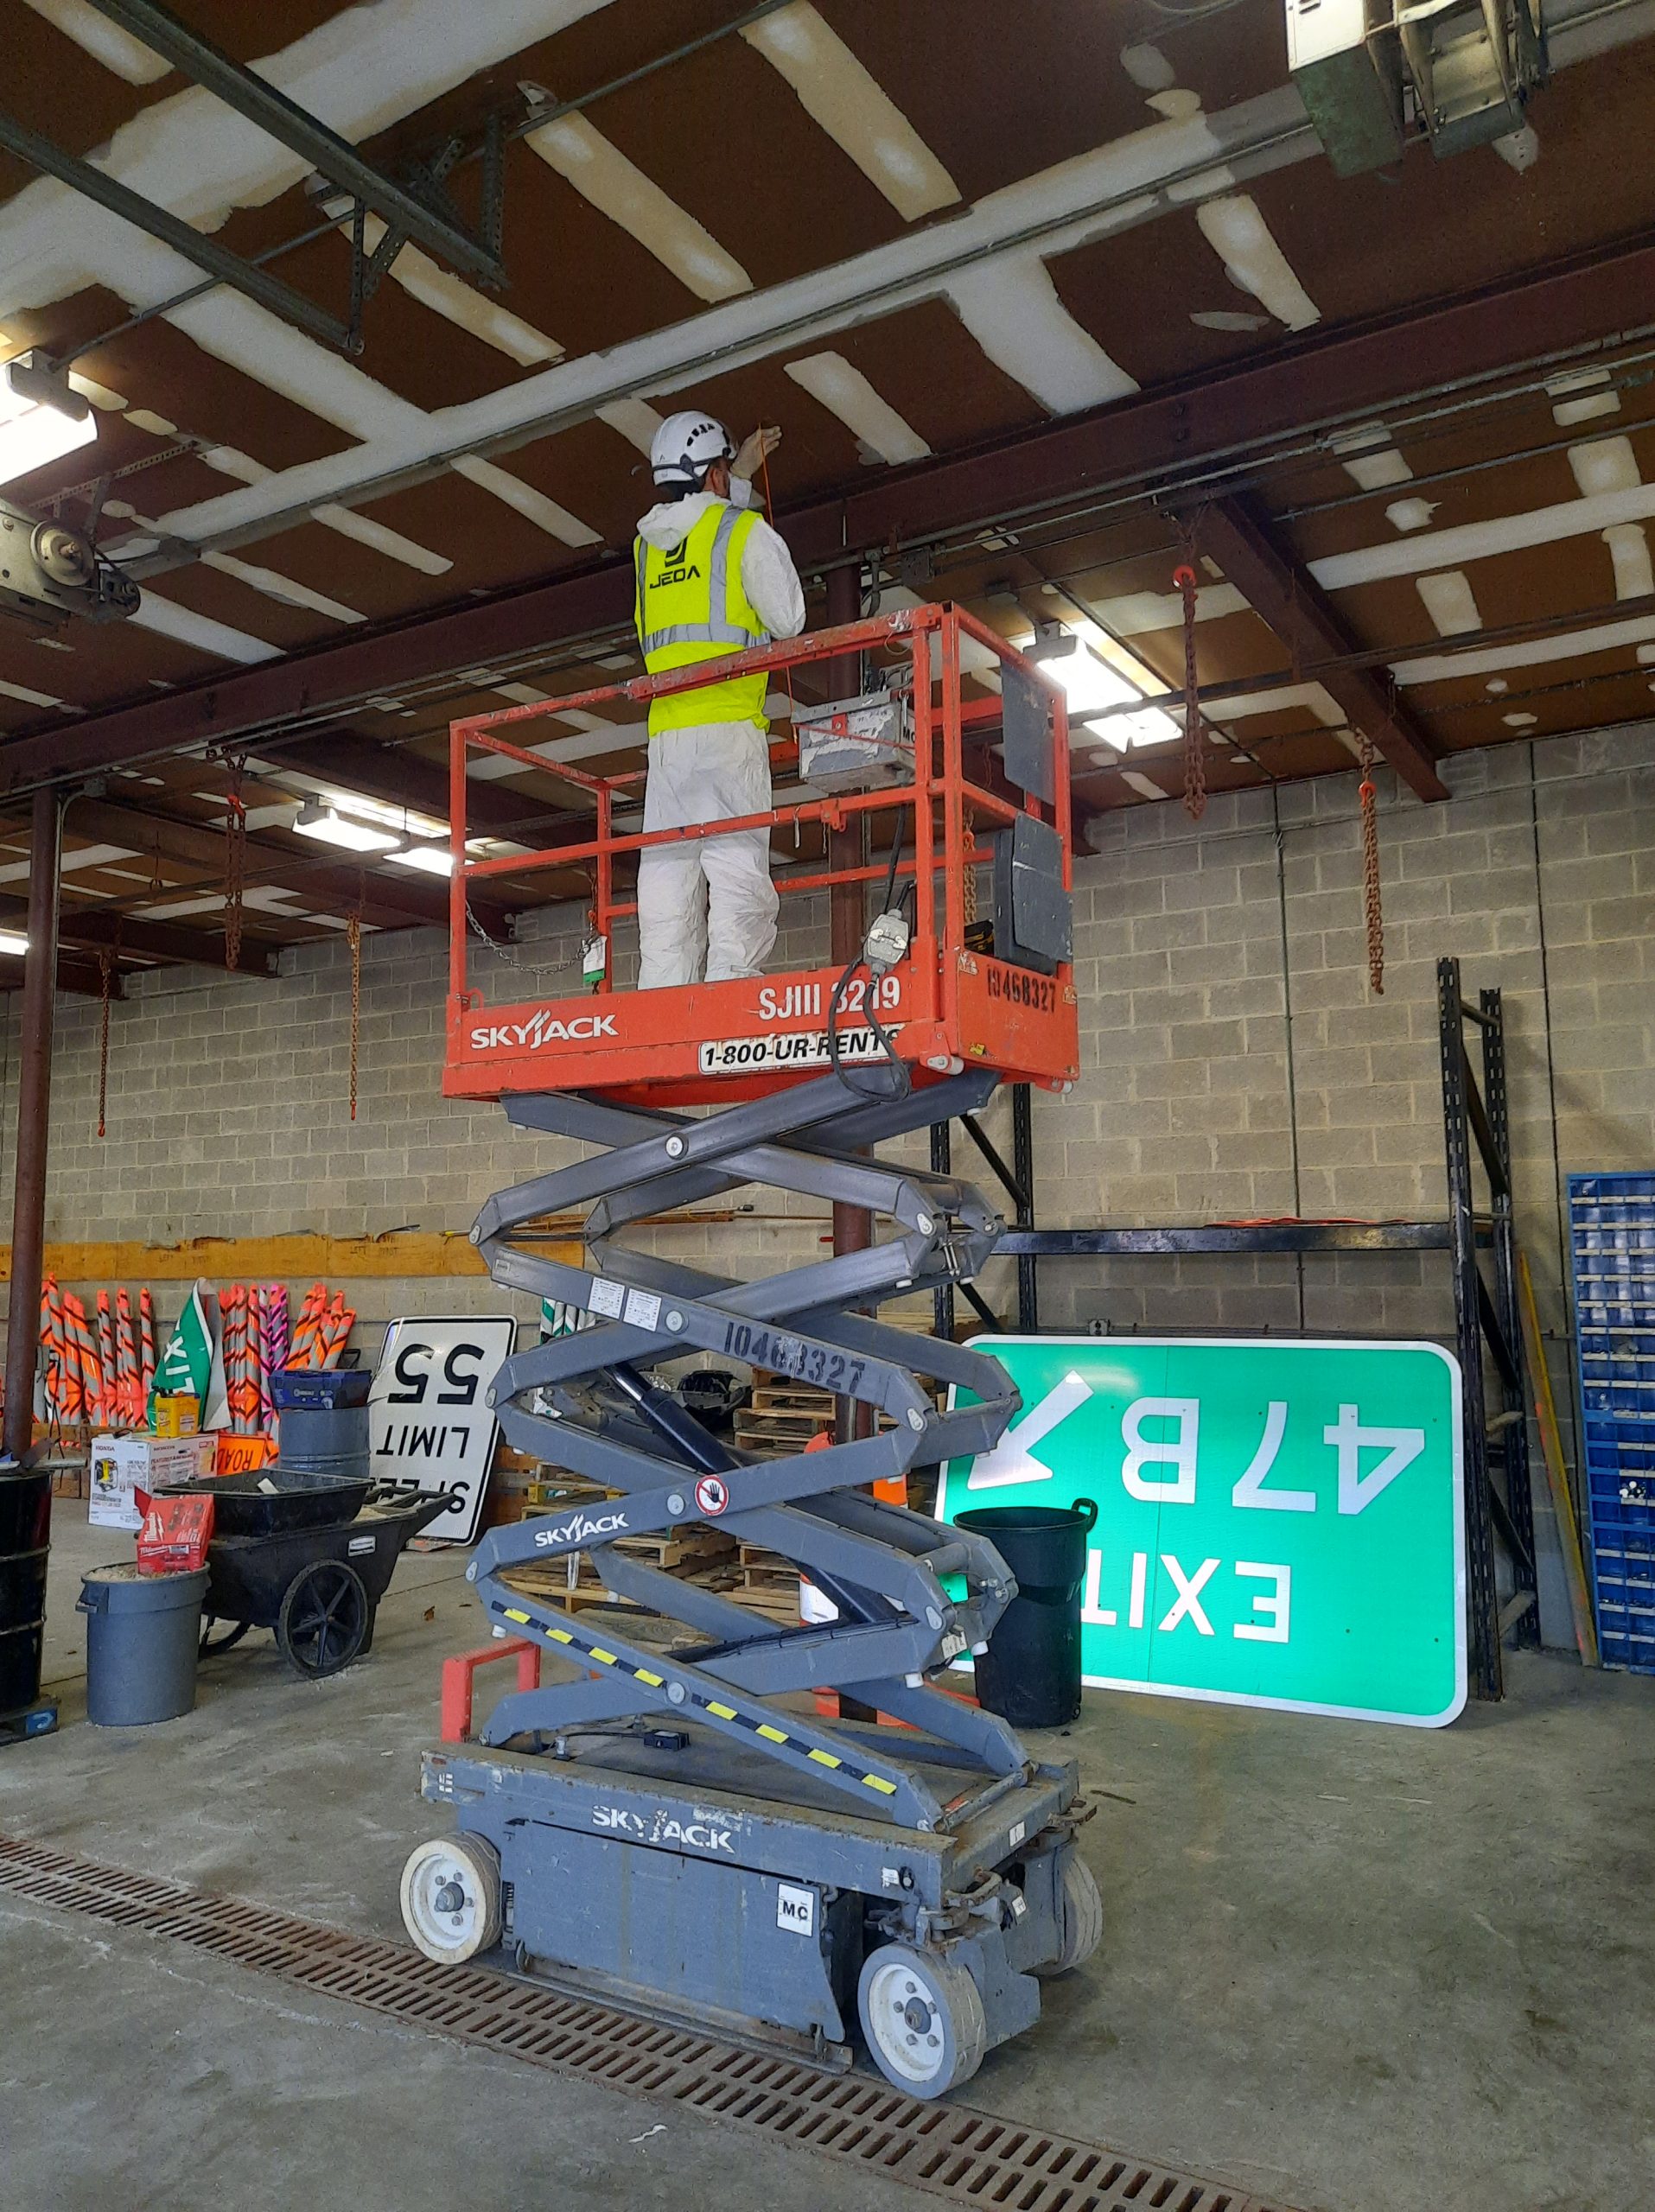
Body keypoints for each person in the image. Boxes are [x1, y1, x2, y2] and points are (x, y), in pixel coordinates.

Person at [632, 410, 805, 989]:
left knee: (666, 879)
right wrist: (744, 502)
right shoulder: (743, 531)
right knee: (735, 872)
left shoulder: (645, 550)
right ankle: (730, 995)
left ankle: (661, 1006)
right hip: (728, 728)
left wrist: (739, 480)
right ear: (714, 475)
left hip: (667, 741)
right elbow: (788, 619)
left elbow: (695, 551)